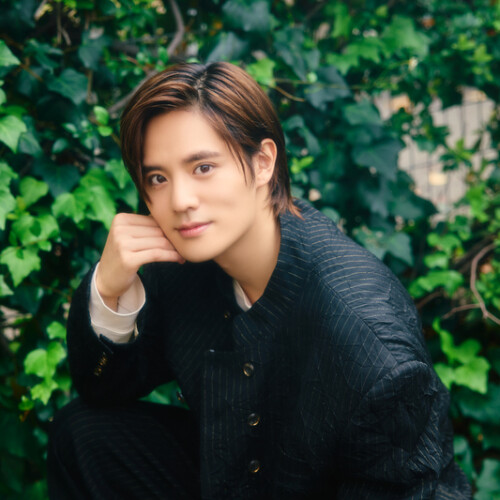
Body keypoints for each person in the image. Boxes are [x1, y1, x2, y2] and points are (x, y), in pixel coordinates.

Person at [48, 62, 471, 499]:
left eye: (203, 167)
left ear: (263, 162)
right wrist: (109, 289)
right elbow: (103, 389)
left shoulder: (365, 337)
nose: (180, 200)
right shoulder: (180, 261)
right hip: (232, 476)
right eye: (158, 178)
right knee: (83, 435)